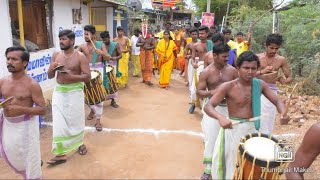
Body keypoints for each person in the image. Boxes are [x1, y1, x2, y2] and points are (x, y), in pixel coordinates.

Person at [204, 51, 290, 179]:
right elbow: (208, 106)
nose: (250, 71)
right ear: (238, 68)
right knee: (233, 166)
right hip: (233, 130)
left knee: (252, 168)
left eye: (253, 68)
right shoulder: (227, 86)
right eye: (246, 68)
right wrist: (221, 117)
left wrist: (283, 113)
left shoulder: (259, 85)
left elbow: (277, 101)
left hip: (254, 131)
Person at [0, 46, 46, 179]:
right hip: (8, 126)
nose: (9, 62)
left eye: (14, 59)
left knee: (30, 158)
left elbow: (42, 110)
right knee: (11, 153)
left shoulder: (32, 84)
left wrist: (21, 109)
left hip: (26, 127)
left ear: (24, 63)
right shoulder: (3, 82)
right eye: (8, 59)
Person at [47, 29, 91, 165]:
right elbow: (49, 76)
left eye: (64, 39)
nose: (61, 41)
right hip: (59, 92)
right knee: (59, 123)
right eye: (60, 39)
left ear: (72, 41)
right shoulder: (56, 55)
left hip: (75, 92)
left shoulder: (80, 56)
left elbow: (87, 77)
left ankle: (80, 143)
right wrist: (52, 68)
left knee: (75, 120)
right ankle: (61, 154)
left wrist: (71, 76)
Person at [197, 44, 238, 180]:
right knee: (211, 139)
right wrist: (212, 92)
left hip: (229, 108)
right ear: (214, 56)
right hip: (211, 109)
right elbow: (200, 92)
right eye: (224, 56)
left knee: (228, 140)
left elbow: (239, 87)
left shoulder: (232, 71)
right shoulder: (206, 72)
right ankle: (208, 169)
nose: (227, 58)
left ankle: (227, 168)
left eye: (228, 56)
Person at [256, 34, 292, 135]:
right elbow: (248, 75)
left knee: (269, 117)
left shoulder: (281, 60)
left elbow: (289, 77)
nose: (273, 51)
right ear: (266, 46)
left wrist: (285, 81)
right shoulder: (257, 57)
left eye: (276, 48)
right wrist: (262, 72)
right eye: (271, 48)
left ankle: (266, 138)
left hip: (272, 90)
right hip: (257, 89)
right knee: (257, 115)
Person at [78, 25, 110, 131]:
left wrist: (102, 53)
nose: (85, 36)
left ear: (93, 35)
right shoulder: (82, 46)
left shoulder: (101, 45)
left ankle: (98, 120)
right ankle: (92, 110)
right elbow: (74, 56)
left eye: (87, 34)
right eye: (84, 34)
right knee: (88, 96)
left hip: (98, 72)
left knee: (98, 96)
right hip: (86, 72)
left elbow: (108, 58)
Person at [189, 26, 213, 113]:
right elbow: (192, 58)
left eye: (202, 33)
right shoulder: (195, 45)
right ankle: (194, 104)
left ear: (207, 34)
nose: (201, 35)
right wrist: (194, 64)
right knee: (195, 87)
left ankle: (205, 108)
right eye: (200, 33)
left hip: (210, 67)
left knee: (207, 88)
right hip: (200, 67)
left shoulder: (212, 44)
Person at [100, 31, 122, 108]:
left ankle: (113, 100)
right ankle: (102, 100)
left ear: (109, 38)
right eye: (103, 40)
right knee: (103, 83)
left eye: (105, 39)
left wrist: (115, 58)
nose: (104, 41)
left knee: (113, 83)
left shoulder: (115, 45)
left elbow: (120, 55)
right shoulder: (101, 45)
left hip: (113, 67)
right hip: (104, 66)